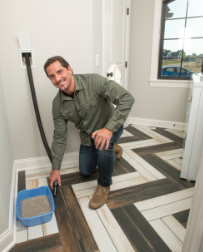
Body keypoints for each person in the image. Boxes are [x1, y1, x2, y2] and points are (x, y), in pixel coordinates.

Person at [44, 56, 135, 209]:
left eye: (60, 72)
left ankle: (104, 185)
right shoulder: (57, 105)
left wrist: (108, 129)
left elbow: (127, 98)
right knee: (85, 171)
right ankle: (114, 147)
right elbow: (60, 137)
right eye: (52, 76)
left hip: (110, 127)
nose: (57, 78)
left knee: (105, 148)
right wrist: (55, 169)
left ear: (69, 69)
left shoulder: (94, 81)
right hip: (88, 136)